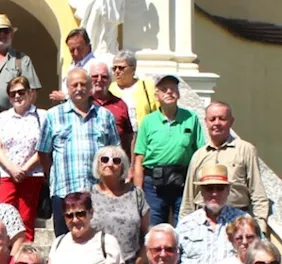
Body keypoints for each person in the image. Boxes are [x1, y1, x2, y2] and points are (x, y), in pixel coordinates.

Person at [38, 68, 120, 238]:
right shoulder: (53, 116)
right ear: (67, 88)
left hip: (97, 193)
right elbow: (43, 152)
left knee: (97, 243)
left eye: (83, 84)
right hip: (63, 190)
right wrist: (52, 174)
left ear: (90, 87)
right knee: (64, 242)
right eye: (74, 84)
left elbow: (115, 153)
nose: (79, 88)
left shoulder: (105, 116)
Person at [180, 102, 270, 230]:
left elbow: (257, 192)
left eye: (222, 119)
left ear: (231, 121)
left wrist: (260, 227)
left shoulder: (246, 150)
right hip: (203, 223)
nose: (216, 123)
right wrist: (184, 227)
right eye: (212, 119)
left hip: (237, 222)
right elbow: (188, 198)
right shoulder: (198, 155)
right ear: (206, 122)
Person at [133, 75, 204, 227]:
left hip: (182, 183)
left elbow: (201, 154)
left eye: (173, 88)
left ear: (178, 93)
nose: (169, 92)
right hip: (153, 185)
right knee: (154, 229)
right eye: (164, 89)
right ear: (156, 96)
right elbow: (139, 159)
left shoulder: (191, 118)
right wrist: (138, 192)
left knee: (185, 226)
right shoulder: (148, 121)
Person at [0, 75, 46, 242]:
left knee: (26, 218)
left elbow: (43, 147)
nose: (17, 96)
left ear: (30, 93)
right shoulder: (3, 117)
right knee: (2, 215)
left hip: (32, 174)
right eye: (12, 93)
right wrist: (12, 168)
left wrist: (25, 169)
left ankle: (25, 259)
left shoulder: (42, 116)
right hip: (7, 174)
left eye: (21, 92)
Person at [175, 164, 247, 264]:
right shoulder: (185, 225)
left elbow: (261, 255)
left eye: (220, 188)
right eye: (209, 188)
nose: (214, 193)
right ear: (201, 192)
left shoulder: (243, 223)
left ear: (228, 191)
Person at [90, 145, 149, 264]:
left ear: (123, 168)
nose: (110, 164)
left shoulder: (136, 194)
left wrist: (140, 261)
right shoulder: (88, 196)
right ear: (98, 164)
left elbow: (147, 231)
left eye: (116, 161)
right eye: (105, 160)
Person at [0, 14, 42, 112]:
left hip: (12, 118)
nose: (1, 35)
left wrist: (24, 116)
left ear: (11, 34)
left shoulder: (22, 60)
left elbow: (32, 92)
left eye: (5, 31)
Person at [88, 61, 133, 156]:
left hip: (114, 162)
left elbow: (129, 137)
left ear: (110, 81)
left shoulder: (120, 105)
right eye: (95, 76)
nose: (99, 80)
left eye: (104, 77)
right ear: (88, 79)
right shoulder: (82, 104)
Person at [109, 50, 159, 133]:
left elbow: (159, 112)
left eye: (121, 68)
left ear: (133, 69)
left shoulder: (147, 87)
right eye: (114, 68)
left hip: (144, 136)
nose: (117, 71)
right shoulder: (109, 89)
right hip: (118, 138)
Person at [48, 28, 96, 103]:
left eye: (79, 49)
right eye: (72, 50)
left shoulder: (95, 66)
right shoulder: (73, 65)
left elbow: (94, 93)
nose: (76, 53)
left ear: (89, 46)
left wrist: (65, 97)